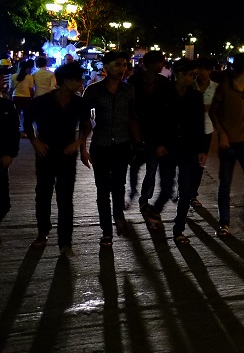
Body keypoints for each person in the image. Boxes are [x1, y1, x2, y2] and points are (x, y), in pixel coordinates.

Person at [25, 62, 90, 257]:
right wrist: (35, 141)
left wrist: (78, 142)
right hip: (45, 153)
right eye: (77, 79)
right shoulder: (42, 102)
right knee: (43, 194)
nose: (80, 83)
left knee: (65, 198)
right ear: (65, 81)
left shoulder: (80, 103)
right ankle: (43, 232)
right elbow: (27, 123)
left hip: (67, 154)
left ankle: (65, 242)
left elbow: (87, 125)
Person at [144, 60, 206, 245]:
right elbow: (152, 120)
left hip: (188, 148)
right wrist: (157, 144)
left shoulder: (195, 96)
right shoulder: (162, 93)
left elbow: (199, 123)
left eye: (192, 75)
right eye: (186, 74)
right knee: (166, 188)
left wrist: (202, 149)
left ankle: (179, 229)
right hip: (168, 147)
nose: (189, 78)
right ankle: (155, 211)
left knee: (186, 190)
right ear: (176, 74)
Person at [82, 51, 140, 246]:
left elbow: (133, 117)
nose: (122, 69)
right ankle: (106, 230)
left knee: (119, 186)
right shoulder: (93, 91)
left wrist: (137, 144)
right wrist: (83, 147)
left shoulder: (129, 90)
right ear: (106, 68)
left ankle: (118, 218)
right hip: (101, 145)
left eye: (124, 65)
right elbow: (85, 121)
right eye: (117, 65)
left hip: (122, 145)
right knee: (102, 190)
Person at [210, 52, 244, 237]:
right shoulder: (225, 87)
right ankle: (224, 223)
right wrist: (222, 134)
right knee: (225, 183)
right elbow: (213, 112)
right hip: (229, 143)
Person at [130, 50, 172, 212]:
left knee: (152, 168)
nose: (162, 65)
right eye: (160, 62)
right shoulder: (134, 81)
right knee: (134, 166)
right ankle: (132, 191)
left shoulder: (164, 82)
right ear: (150, 64)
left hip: (156, 132)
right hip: (136, 130)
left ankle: (144, 197)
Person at [192, 57, 218, 207]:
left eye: (202, 69)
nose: (198, 72)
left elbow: (217, 109)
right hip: (190, 130)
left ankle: (193, 194)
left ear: (209, 71)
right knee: (189, 162)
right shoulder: (191, 85)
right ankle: (185, 191)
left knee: (200, 163)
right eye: (197, 69)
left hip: (207, 129)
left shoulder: (216, 87)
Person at [0, 91, 18, 245]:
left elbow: (13, 129)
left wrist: (10, 153)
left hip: (2, 156)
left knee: (3, 201)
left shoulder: (6, 103)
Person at [12, 59, 35, 129]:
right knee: (26, 115)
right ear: (26, 68)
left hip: (15, 97)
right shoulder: (29, 77)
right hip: (26, 98)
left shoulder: (13, 76)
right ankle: (26, 130)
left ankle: (16, 128)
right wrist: (33, 96)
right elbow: (31, 89)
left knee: (16, 115)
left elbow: (11, 88)